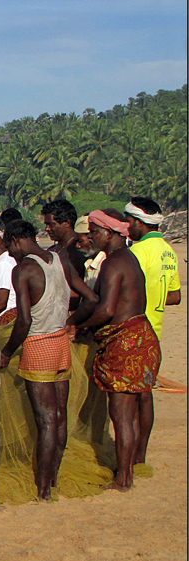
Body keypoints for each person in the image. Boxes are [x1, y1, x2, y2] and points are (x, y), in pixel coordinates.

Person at [0, 220, 97, 500]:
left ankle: (42, 490)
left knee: (45, 421)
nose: (10, 254)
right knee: (59, 417)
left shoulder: (24, 269)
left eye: (9, 248)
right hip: (60, 344)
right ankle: (52, 479)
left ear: (17, 240)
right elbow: (90, 298)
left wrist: (7, 352)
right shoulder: (60, 260)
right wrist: (70, 322)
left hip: (38, 345)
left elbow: (25, 320)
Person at [69, 209, 161, 491]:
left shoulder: (113, 263)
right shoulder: (130, 259)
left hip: (126, 343)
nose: (92, 237)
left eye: (95, 232)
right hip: (142, 336)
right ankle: (131, 466)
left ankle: (123, 478)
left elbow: (107, 309)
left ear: (109, 233)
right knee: (130, 409)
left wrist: (78, 325)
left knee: (120, 414)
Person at [124, 197, 181, 465]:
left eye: (128, 222)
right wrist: (154, 297)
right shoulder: (169, 251)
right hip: (155, 332)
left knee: (127, 402)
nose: (126, 227)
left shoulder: (138, 252)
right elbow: (175, 296)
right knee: (145, 396)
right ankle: (141, 456)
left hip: (134, 330)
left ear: (137, 222)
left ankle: (128, 459)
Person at [41, 199, 87, 282]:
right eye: (46, 225)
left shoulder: (79, 251)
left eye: (51, 224)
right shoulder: (52, 250)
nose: (47, 229)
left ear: (67, 223)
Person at [75, 215, 106, 289]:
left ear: (90, 237)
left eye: (80, 241)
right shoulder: (89, 263)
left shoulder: (105, 263)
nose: (78, 246)